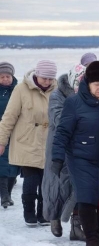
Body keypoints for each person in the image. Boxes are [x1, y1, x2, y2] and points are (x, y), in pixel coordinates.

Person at [51, 61, 99, 246]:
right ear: (88, 83)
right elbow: (62, 132)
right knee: (86, 197)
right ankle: (92, 237)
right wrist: (57, 158)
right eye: (96, 85)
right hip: (80, 158)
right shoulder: (74, 103)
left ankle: (95, 232)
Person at [0, 60, 57, 226]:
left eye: (50, 79)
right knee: (31, 180)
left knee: (46, 181)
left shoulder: (57, 90)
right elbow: (9, 117)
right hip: (27, 141)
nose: (47, 82)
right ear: (37, 75)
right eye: (44, 78)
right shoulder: (21, 89)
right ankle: (29, 213)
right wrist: (2, 141)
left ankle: (44, 213)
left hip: (48, 142)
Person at [41, 63, 86, 240]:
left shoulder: (85, 94)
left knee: (76, 185)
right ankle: (54, 217)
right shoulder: (57, 95)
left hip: (78, 146)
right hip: (57, 145)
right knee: (56, 184)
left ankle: (76, 226)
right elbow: (58, 118)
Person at [0, 62, 20, 209]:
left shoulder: (18, 90)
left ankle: (9, 194)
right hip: (1, 131)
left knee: (14, 165)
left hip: (17, 132)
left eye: (8, 76)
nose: (5, 79)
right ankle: (5, 197)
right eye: (2, 77)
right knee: (2, 163)